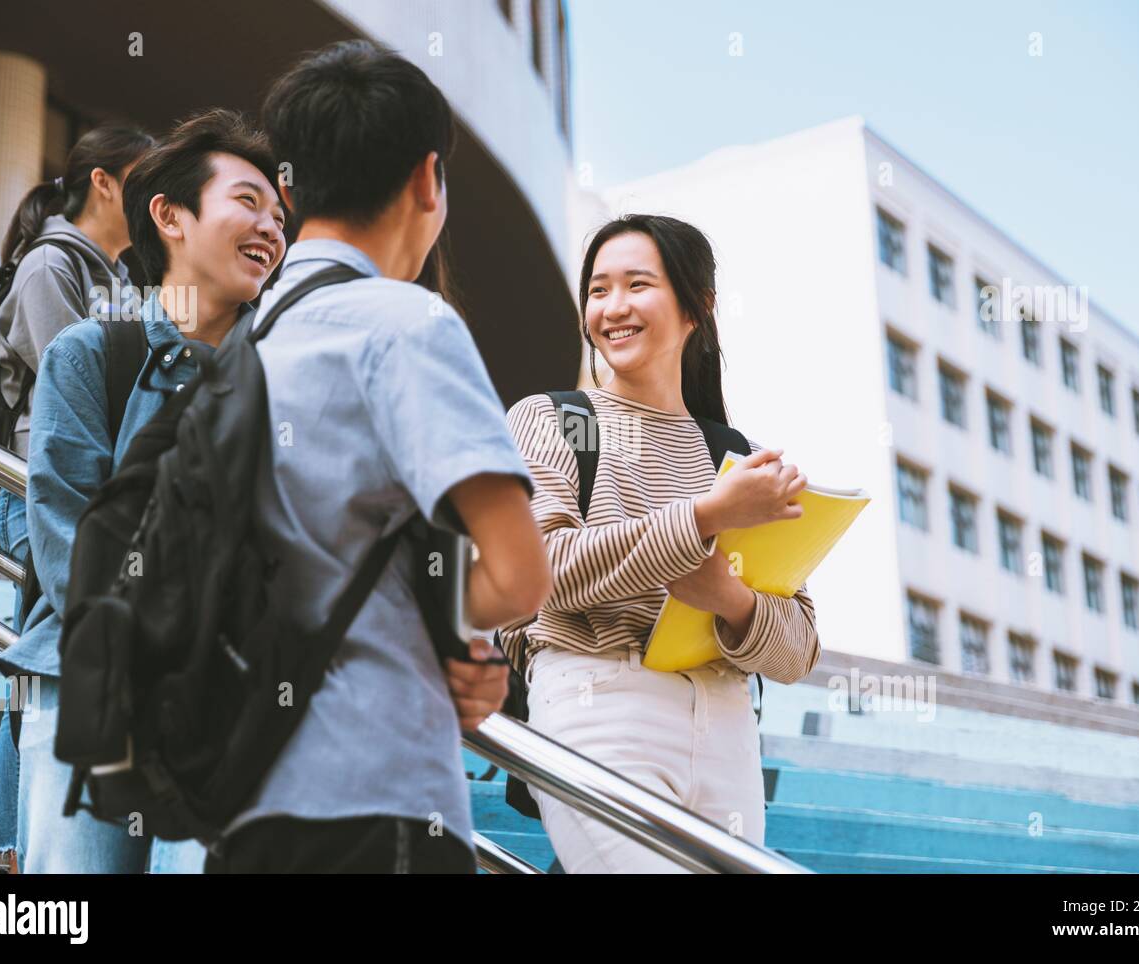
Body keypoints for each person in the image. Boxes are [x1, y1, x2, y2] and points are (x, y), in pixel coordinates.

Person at [201, 39, 551, 874]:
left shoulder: (235, 348)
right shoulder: (407, 323)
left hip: (243, 797)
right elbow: (518, 574)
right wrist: (451, 636)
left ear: (287, 190)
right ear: (429, 180)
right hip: (378, 792)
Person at [500, 214, 822, 873]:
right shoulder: (553, 420)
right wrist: (704, 516)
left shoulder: (741, 459)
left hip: (728, 727)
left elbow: (798, 652)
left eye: (637, 285)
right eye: (597, 290)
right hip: (599, 703)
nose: (613, 308)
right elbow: (539, 571)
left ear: (695, 306)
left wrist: (728, 599)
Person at [0, 124, 154, 867]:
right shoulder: (53, 264)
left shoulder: (119, 277)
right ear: (106, 182)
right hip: (43, 491)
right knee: (48, 653)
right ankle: (11, 839)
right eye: (144, 179)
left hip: (95, 491)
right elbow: (72, 385)